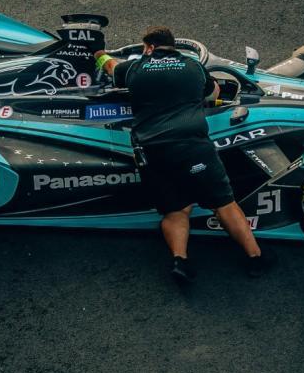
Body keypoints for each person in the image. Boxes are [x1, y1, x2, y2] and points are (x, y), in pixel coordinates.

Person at [87, 25, 273, 282]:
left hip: (153, 150)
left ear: (149, 47)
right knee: (224, 205)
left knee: (175, 211)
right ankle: (255, 258)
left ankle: (180, 261)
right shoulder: (193, 66)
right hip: (193, 146)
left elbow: (110, 67)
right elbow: (214, 93)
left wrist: (97, 52)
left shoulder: (136, 68)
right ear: (172, 46)